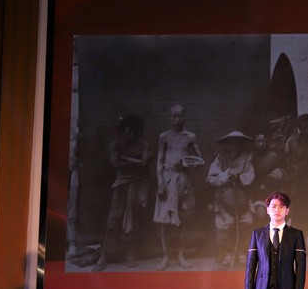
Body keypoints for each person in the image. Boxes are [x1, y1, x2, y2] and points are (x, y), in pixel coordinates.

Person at [94, 114, 150, 271]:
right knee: (112, 222)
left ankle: (129, 255)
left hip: (137, 186)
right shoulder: (115, 145)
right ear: (124, 130)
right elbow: (117, 165)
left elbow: (144, 163)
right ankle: (102, 258)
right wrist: (136, 162)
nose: (129, 133)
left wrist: (126, 158)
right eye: (127, 130)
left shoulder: (143, 144)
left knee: (133, 221)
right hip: (120, 186)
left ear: (137, 131)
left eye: (133, 130)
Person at [153, 104, 203, 270]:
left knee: (183, 218)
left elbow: (200, 161)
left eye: (180, 115)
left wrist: (189, 164)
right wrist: (160, 183)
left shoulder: (190, 137)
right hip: (167, 179)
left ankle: (181, 255)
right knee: (164, 220)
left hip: (184, 180)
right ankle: (166, 256)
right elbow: (160, 160)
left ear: (184, 117)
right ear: (170, 117)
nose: (176, 119)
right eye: (173, 116)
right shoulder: (164, 137)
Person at [207, 131, 256, 267]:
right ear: (227, 144)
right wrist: (226, 175)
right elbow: (211, 178)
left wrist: (239, 178)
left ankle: (241, 252)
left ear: (241, 144)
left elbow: (251, 175)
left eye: (237, 142)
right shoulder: (220, 157)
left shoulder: (247, 157)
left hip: (242, 198)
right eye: (231, 142)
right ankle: (227, 253)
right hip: (223, 198)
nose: (234, 145)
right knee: (225, 224)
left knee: (247, 222)